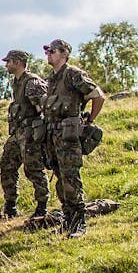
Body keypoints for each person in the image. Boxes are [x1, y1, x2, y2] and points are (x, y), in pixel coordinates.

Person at [42, 39, 105, 237]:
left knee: (71, 178)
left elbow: (98, 95)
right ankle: (68, 220)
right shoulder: (51, 79)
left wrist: (88, 120)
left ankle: (79, 223)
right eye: (47, 51)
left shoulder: (73, 74)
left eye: (52, 51)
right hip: (53, 136)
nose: (48, 54)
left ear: (64, 54)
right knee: (61, 180)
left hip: (68, 136)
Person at [0, 50, 49, 219]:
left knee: (33, 169)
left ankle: (42, 207)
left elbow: (45, 109)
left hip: (30, 134)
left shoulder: (32, 82)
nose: (6, 65)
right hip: (18, 132)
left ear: (18, 62)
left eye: (9, 62)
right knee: (6, 166)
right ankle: (10, 207)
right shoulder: (17, 82)